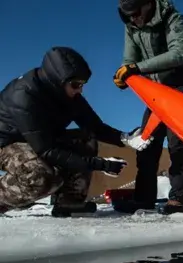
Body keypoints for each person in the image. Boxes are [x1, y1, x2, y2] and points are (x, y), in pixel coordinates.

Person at [0, 46, 151, 217]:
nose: (80, 90)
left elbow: (95, 127)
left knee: (85, 138)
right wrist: (100, 164)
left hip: (39, 139)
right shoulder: (24, 96)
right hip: (6, 142)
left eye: (82, 84)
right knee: (42, 176)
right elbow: (47, 150)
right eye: (75, 85)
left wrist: (125, 138)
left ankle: (69, 201)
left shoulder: (69, 96)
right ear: (56, 80)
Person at [113, 0, 183, 215]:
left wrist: (136, 68)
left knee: (177, 144)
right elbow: (129, 60)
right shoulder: (131, 26)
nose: (134, 19)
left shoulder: (175, 19)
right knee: (147, 144)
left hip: (180, 88)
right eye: (128, 15)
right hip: (156, 92)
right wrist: (126, 77)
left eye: (136, 13)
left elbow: (180, 54)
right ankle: (143, 200)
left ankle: (178, 200)